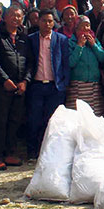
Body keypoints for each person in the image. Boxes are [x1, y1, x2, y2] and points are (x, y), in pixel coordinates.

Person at [0, 5, 32, 170]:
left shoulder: (24, 38)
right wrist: (4, 79)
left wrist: (25, 81)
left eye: (19, 16)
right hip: (1, 87)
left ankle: (10, 153)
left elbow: (30, 62)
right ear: (4, 17)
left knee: (14, 121)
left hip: (19, 87)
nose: (16, 19)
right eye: (12, 15)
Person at [27, 9, 70, 159]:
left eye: (50, 21)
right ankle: (33, 151)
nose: (47, 24)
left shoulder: (61, 39)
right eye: (44, 21)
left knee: (52, 121)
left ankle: (50, 153)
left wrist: (64, 84)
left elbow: (65, 63)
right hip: (37, 85)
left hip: (55, 87)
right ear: (38, 21)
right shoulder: (31, 39)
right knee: (34, 119)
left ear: (54, 23)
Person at [68, 16, 104, 115]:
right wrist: (79, 46)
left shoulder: (94, 40)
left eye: (88, 25)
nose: (86, 29)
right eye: (83, 26)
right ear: (76, 28)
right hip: (78, 85)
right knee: (78, 115)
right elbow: (70, 62)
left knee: (95, 115)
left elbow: (102, 58)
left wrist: (94, 45)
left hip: (93, 85)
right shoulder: (71, 42)